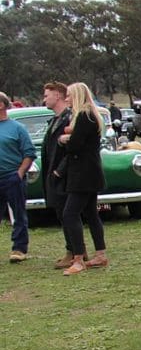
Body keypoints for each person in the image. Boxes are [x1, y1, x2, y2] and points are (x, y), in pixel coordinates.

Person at [57, 82, 108, 275]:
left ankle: (78, 258)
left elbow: (75, 146)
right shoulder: (87, 116)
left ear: (77, 96)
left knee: (70, 214)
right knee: (91, 214)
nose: (66, 99)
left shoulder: (85, 116)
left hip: (83, 175)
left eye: (69, 95)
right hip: (89, 173)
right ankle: (100, 254)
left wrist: (65, 140)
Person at [42, 81, 77, 268]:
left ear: (57, 95)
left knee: (68, 213)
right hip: (54, 173)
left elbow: (72, 149)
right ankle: (72, 248)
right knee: (61, 213)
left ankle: (74, 251)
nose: (44, 99)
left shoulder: (69, 118)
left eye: (47, 95)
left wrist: (59, 171)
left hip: (65, 174)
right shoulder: (55, 119)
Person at [0, 91, 36, 263]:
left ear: (1, 105)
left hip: (12, 177)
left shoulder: (17, 128)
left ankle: (19, 248)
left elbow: (29, 153)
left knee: (18, 214)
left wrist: (20, 173)